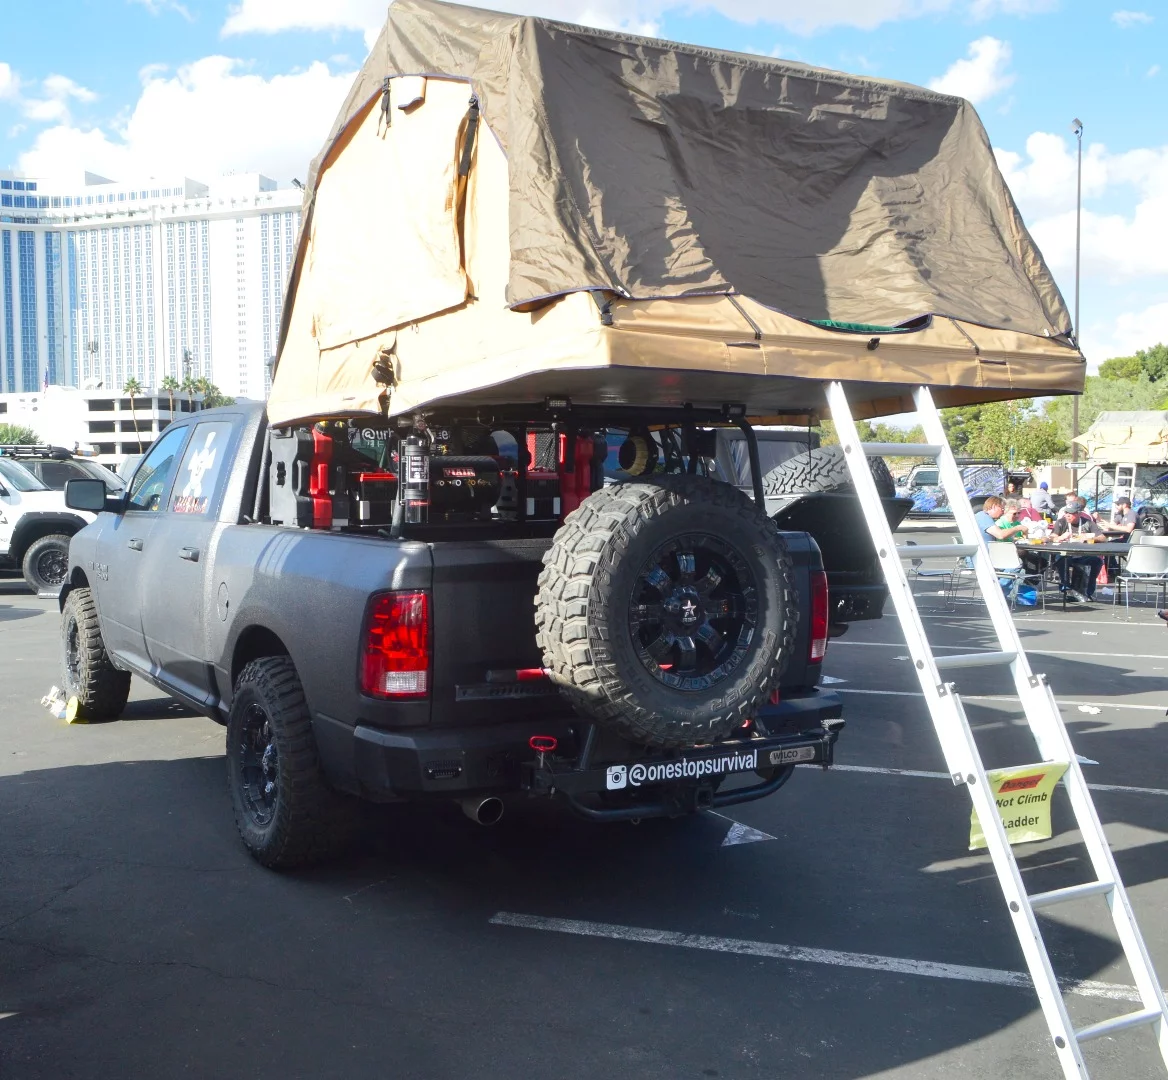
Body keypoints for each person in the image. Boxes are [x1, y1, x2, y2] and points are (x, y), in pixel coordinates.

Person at [1051, 496, 1104, 600]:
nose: (1067, 515)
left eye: (1071, 513)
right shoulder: (1061, 522)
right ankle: (1066, 589)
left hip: (1083, 554)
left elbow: (1102, 537)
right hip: (1065, 554)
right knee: (1061, 561)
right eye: (1066, 512)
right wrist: (1060, 537)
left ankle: (1087, 591)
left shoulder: (1087, 523)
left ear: (1079, 513)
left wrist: (1089, 537)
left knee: (1097, 561)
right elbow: (1052, 536)